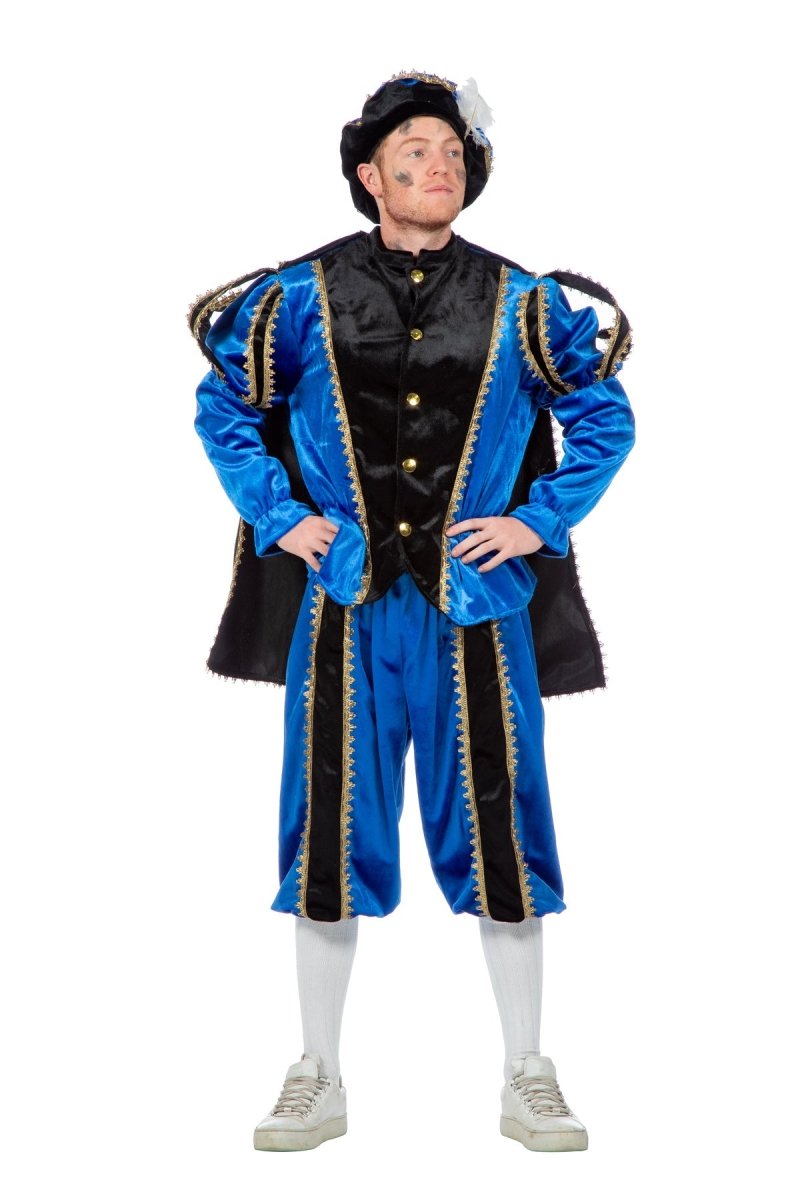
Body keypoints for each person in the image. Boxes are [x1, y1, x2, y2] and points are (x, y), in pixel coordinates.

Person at [189, 71, 634, 1154]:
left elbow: (603, 417)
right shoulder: (298, 295)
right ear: (369, 175)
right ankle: (318, 1074)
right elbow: (225, 406)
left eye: (451, 152)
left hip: (476, 607)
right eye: (414, 153)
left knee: (502, 831)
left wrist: (534, 520)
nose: (439, 166)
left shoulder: (525, 303)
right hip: (344, 605)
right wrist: (283, 516)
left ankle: (527, 1075)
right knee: (327, 835)